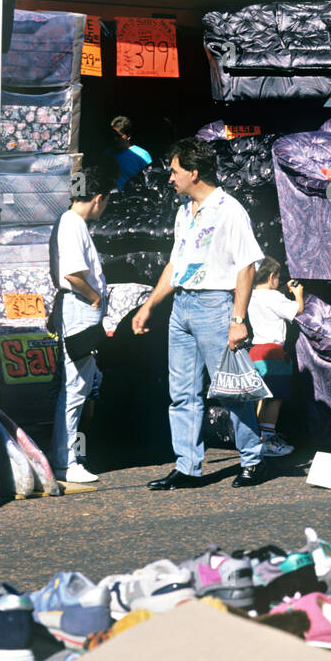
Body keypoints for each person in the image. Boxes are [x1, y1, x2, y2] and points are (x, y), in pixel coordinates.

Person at [131, 137, 267, 490]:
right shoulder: (183, 213)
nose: (169, 177)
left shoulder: (230, 210)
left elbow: (247, 266)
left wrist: (238, 319)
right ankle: (188, 467)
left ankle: (252, 461)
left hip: (215, 306)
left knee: (232, 390)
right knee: (182, 393)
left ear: (194, 172)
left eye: (174, 171)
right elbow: (175, 265)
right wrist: (149, 305)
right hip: (183, 307)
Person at [48, 165, 114, 484]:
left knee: (81, 386)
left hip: (77, 310)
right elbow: (74, 274)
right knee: (76, 387)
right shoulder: (73, 223)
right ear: (98, 198)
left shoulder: (69, 222)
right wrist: (95, 298)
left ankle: (70, 455)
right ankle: (66, 459)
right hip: (80, 309)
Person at [247, 258, 306, 458]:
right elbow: (297, 310)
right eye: (278, 277)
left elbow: (270, 302)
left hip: (255, 352)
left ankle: (258, 438)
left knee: (263, 396)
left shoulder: (251, 295)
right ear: (272, 277)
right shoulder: (274, 297)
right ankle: (268, 441)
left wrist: (281, 290)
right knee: (275, 398)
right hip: (273, 353)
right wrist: (298, 294)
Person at [108, 115, 152, 190]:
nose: (115, 139)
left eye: (118, 136)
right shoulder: (108, 154)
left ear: (128, 136)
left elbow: (150, 182)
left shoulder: (142, 156)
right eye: (113, 135)